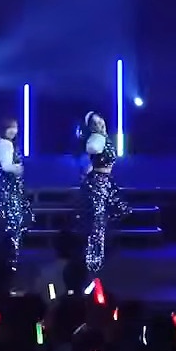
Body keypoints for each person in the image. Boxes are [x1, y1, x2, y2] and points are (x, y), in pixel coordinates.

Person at [77, 111, 125, 272]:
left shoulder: (105, 138)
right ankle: (93, 260)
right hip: (97, 183)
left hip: (105, 182)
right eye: (95, 123)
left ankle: (98, 257)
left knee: (104, 219)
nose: (100, 124)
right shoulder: (96, 138)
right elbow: (92, 149)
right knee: (96, 222)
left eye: (100, 121)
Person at [0, 117, 30, 267]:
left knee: (15, 220)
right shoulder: (4, 145)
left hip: (13, 186)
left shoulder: (9, 144)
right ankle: (10, 256)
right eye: (10, 127)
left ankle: (12, 254)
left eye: (15, 127)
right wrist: (17, 169)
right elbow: (6, 166)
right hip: (8, 187)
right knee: (11, 220)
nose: (13, 131)